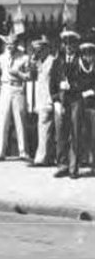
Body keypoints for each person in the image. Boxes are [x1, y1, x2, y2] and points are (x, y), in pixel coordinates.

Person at [0, 33, 32, 162]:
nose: (10, 46)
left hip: (18, 88)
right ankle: (0, 152)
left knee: (20, 120)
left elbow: (29, 76)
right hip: (5, 88)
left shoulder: (24, 58)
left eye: (12, 44)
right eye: (8, 44)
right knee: (3, 120)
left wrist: (19, 74)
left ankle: (23, 152)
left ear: (16, 44)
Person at [52, 30, 86, 178]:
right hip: (61, 100)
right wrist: (55, 100)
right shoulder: (57, 61)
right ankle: (62, 165)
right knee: (61, 133)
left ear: (75, 45)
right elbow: (52, 82)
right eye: (65, 43)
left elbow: (87, 82)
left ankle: (74, 167)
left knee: (75, 132)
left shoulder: (82, 61)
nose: (68, 46)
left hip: (75, 100)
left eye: (71, 43)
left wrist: (72, 86)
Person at [29, 35, 56, 167]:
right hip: (40, 100)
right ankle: (47, 157)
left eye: (40, 49)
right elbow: (31, 75)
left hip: (48, 99)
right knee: (44, 130)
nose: (38, 51)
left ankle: (41, 158)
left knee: (44, 129)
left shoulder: (52, 61)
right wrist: (33, 60)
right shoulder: (40, 61)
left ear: (47, 48)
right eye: (37, 49)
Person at [76, 40, 95, 174]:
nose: (88, 56)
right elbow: (75, 82)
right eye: (85, 54)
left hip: (93, 105)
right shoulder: (78, 66)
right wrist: (81, 92)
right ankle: (83, 159)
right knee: (82, 133)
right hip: (81, 104)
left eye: (90, 53)